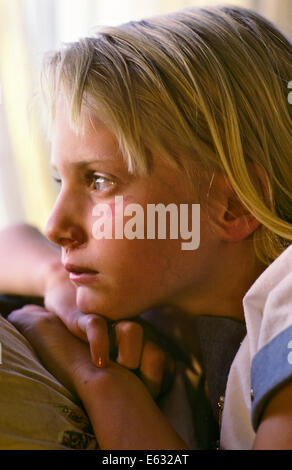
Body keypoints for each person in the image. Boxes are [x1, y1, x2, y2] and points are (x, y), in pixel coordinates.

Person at [1, 4, 292, 449]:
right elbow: (10, 242)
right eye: (61, 180)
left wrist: (99, 378)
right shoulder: (178, 304)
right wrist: (54, 277)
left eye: (98, 181)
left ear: (231, 206)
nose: (56, 226)